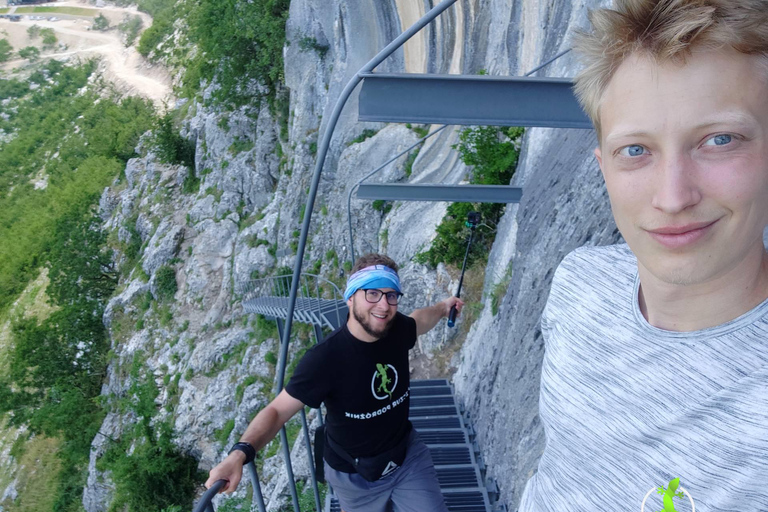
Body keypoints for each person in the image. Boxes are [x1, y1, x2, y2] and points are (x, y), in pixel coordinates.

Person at [518, 1, 768, 510]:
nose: (673, 197)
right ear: (603, 167)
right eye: (635, 150)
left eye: (720, 140)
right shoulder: (580, 283)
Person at [206, 253, 464, 512]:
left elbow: (420, 319)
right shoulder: (325, 359)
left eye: (391, 295)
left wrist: (444, 307)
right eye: (372, 293)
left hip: (406, 458)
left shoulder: (397, 329)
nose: (384, 305)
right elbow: (277, 411)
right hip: (353, 477)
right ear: (350, 297)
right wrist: (239, 454)